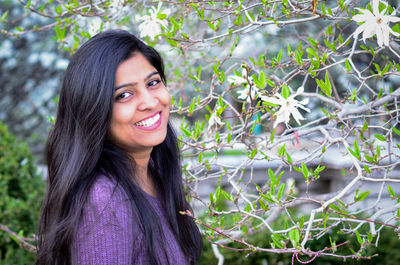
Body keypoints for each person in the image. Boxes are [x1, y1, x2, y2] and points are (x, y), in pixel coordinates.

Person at [36, 30, 203, 265]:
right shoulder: (105, 200)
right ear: (93, 112)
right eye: (124, 95)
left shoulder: (155, 173)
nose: (149, 102)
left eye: (153, 83)